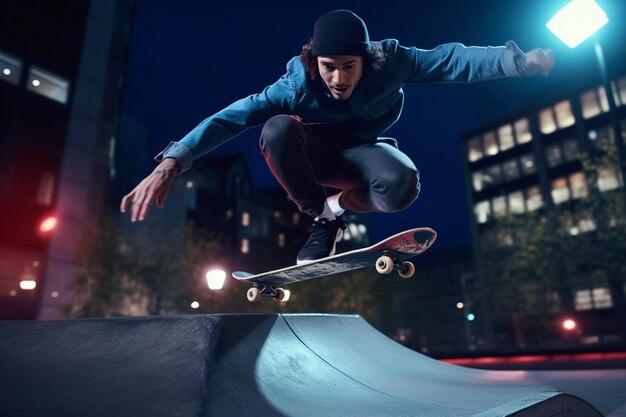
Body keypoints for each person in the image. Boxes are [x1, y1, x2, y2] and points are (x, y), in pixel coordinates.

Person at [120, 10, 554, 265]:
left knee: (403, 184)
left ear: (366, 60)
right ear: (315, 61)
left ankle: (335, 206)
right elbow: (232, 116)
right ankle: (321, 219)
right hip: (316, 156)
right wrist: (173, 161)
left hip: (362, 155)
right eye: (329, 66)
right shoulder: (296, 84)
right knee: (275, 127)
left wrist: (514, 62)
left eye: (349, 66)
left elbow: (450, 61)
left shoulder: (392, 61)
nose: (339, 78)